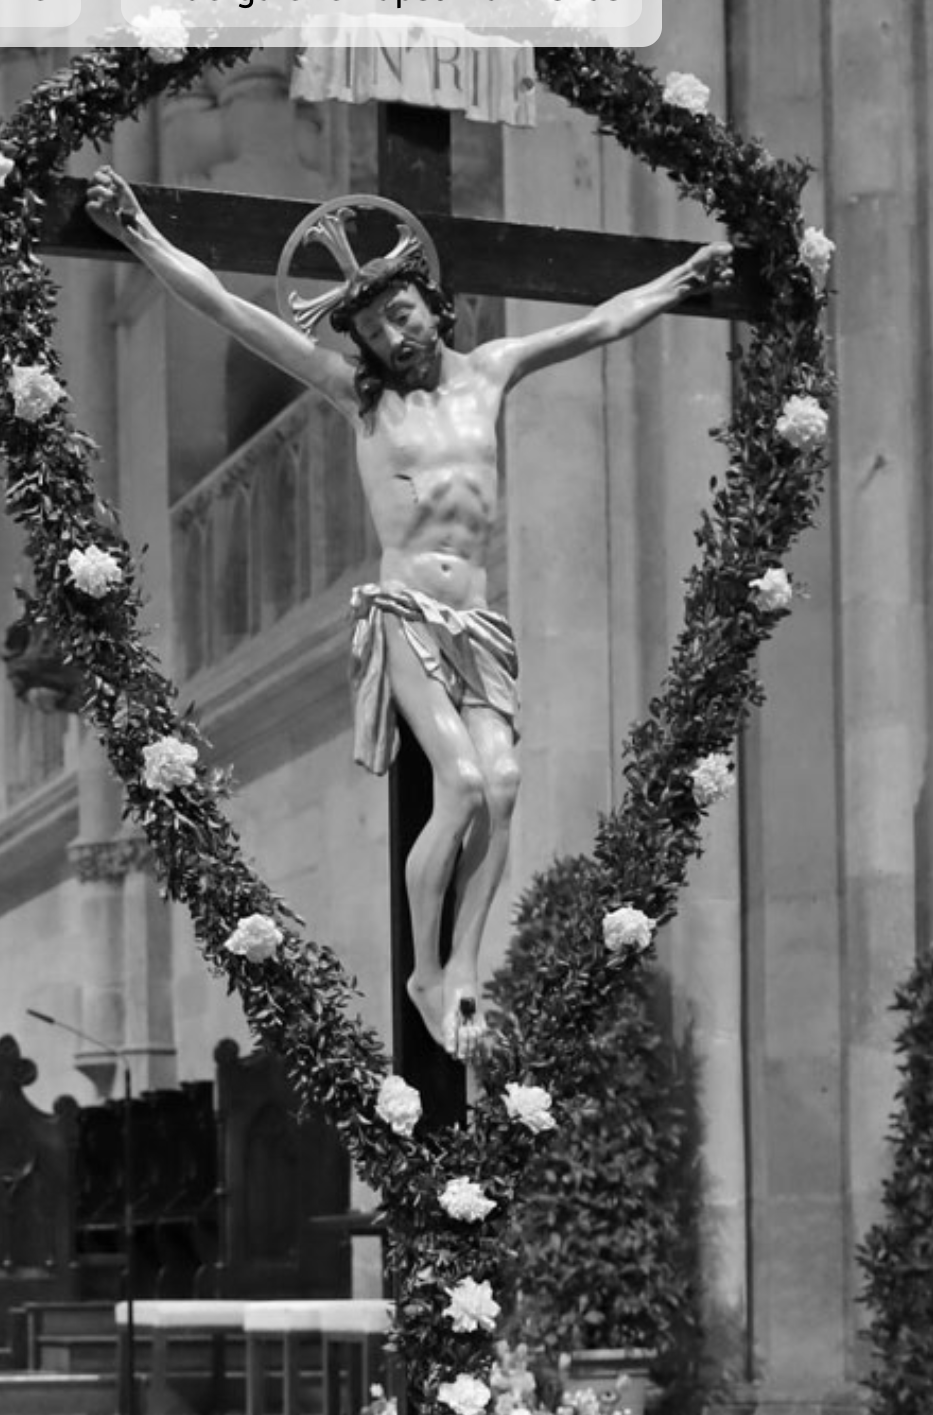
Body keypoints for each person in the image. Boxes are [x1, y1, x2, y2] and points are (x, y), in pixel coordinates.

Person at [83, 170, 728, 1053]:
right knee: (459, 784)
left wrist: (677, 283)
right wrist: (143, 239)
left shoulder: (492, 371)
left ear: (435, 303)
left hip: (481, 619)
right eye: (378, 326)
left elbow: (598, 322)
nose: (397, 332)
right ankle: (424, 968)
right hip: (409, 611)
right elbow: (238, 314)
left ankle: (462, 963)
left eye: (407, 312)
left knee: (502, 787)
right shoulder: (360, 398)